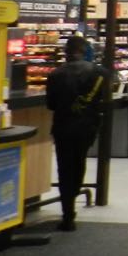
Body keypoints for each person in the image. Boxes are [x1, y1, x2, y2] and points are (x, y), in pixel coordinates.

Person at [45, 35, 110, 231]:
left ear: (66, 52)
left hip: (63, 126)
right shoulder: (100, 73)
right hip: (87, 127)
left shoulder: (55, 74)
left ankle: (68, 214)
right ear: (85, 51)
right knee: (79, 162)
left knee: (64, 168)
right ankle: (74, 192)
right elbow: (104, 100)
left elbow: (51, 105)